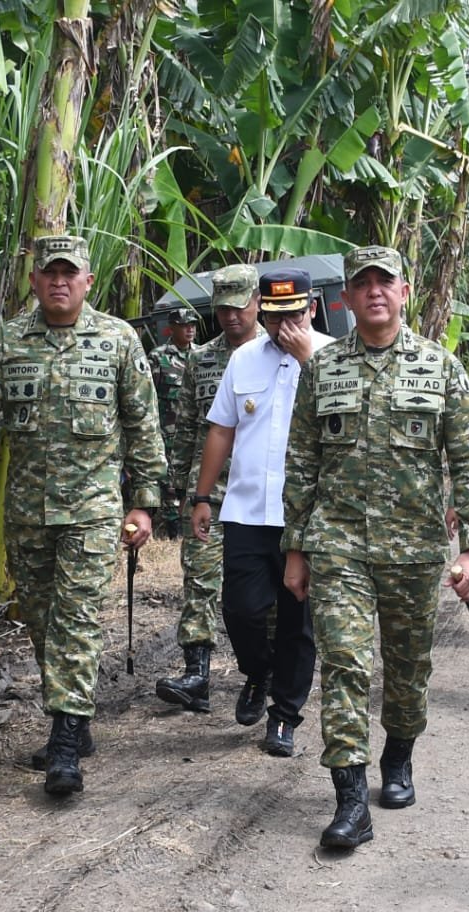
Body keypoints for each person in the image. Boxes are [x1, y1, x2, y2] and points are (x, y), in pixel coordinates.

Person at [282, 245, 469, 851]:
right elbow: (301, 461)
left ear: (405, 292)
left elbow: (468, 463)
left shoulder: (440, 368)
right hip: (338, 543)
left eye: (385, 282)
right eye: (362, 283)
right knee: (345, 664)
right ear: (345, 298)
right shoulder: (323, 370)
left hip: (415, 549)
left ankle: (398, 753)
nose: (374, 291)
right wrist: (296, 549)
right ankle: (350, 799)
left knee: (406, 669)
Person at [0, 235, 164, 796]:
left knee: (76, 619)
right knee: (41, 621)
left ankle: (66, 741)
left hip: (92, 510)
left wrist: (144, 502)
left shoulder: (118, 340)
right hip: (27, 512)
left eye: (70, 273)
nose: (59, 282)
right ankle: (77, 719)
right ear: (36, 281)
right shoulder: (8, 343)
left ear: (88, 281)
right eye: (49, 273)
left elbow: (142, 423)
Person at [190, 269, 332, 756]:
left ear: (311, 308)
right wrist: (202, 496)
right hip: (249, 509)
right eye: (274, 316)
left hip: (308, 515)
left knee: (298, 620)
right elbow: (222, 430)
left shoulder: (332, 357)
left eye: (293, 314)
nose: (283, 327)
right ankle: (257, 671)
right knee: (241, 609)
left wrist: (308, 360)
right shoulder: (245, 359)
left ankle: (285, 715)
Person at [156, 265, 262, 715]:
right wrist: (177, 489)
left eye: (239, 306)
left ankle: (262, 674)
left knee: (257, 598)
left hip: (260, 496)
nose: (231, 316)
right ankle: (196, 672)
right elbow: (186, 430)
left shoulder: (277, 351)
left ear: (256, 301)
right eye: (222, 308)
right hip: (209, 495)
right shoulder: (200, 360)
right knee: (199, 581)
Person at [152, 307, 197, 538]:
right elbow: (148, 396)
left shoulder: (201, 355)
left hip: (196, 430)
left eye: (192, 325)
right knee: (170, 481)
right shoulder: (159, 357)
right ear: (173, 328)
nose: (190, 329)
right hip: (168, 431)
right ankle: (173, 529)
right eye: (184, 325)